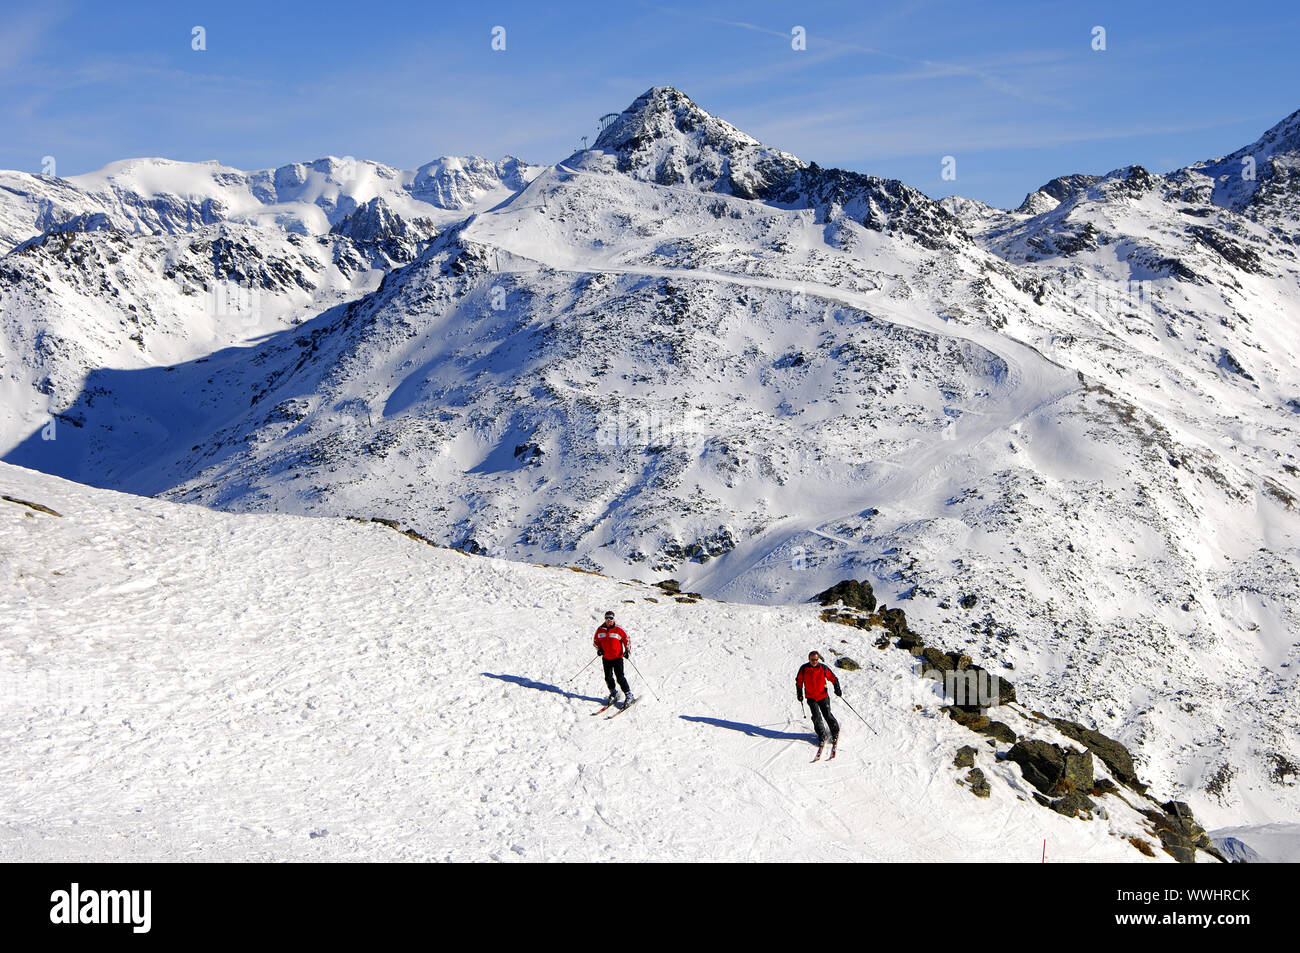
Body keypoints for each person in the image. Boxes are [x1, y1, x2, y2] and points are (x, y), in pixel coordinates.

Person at [796, 651, 841, 750]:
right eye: (812, 659)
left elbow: (833, 678)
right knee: (816, 717)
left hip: (823, 696)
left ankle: (835, 731)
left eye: (816, 659)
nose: (815, 661)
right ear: (809, 659)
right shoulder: (804, 669)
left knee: (827, 714)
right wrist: (799, 693)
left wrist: (837, 688)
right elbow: (799, 681)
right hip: (811, 697)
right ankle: (821, 735)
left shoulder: (823, 668)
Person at [593, 611, 633, 706]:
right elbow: (595, 641)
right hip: (606, 658)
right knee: (608, 677)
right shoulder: (600, 630)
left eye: (610, 618)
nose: (609, 620)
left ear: (613, 619)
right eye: (607, 618)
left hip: (617, 658)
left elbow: (627, 640)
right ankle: (613, 693)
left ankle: (628, 694)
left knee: (620, 677)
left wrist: (627, 651)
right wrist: (599, 649)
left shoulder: (618, 629)